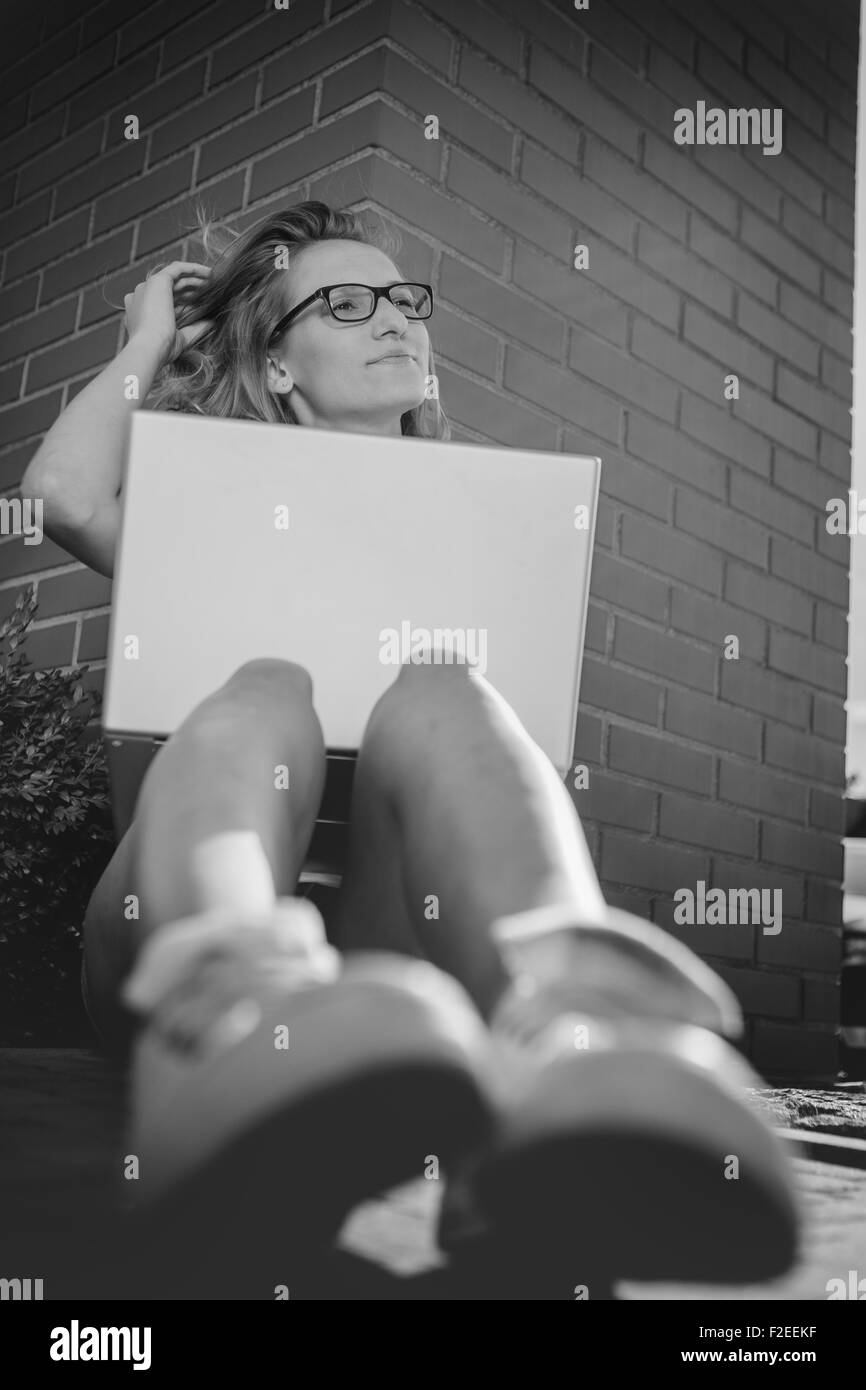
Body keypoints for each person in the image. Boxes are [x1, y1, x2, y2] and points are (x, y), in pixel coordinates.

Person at [21, 200, 799, 1295]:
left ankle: (578, 1038)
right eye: (345, 304)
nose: (394, 320)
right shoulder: (208, 497)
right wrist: (146, 342)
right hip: (167, 940)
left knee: (443, 681)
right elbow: (56, 498)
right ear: (279, 365)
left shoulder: (486, 527)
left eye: (403, 300)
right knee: (267, 683)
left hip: (403, 976)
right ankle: (231, 1011)